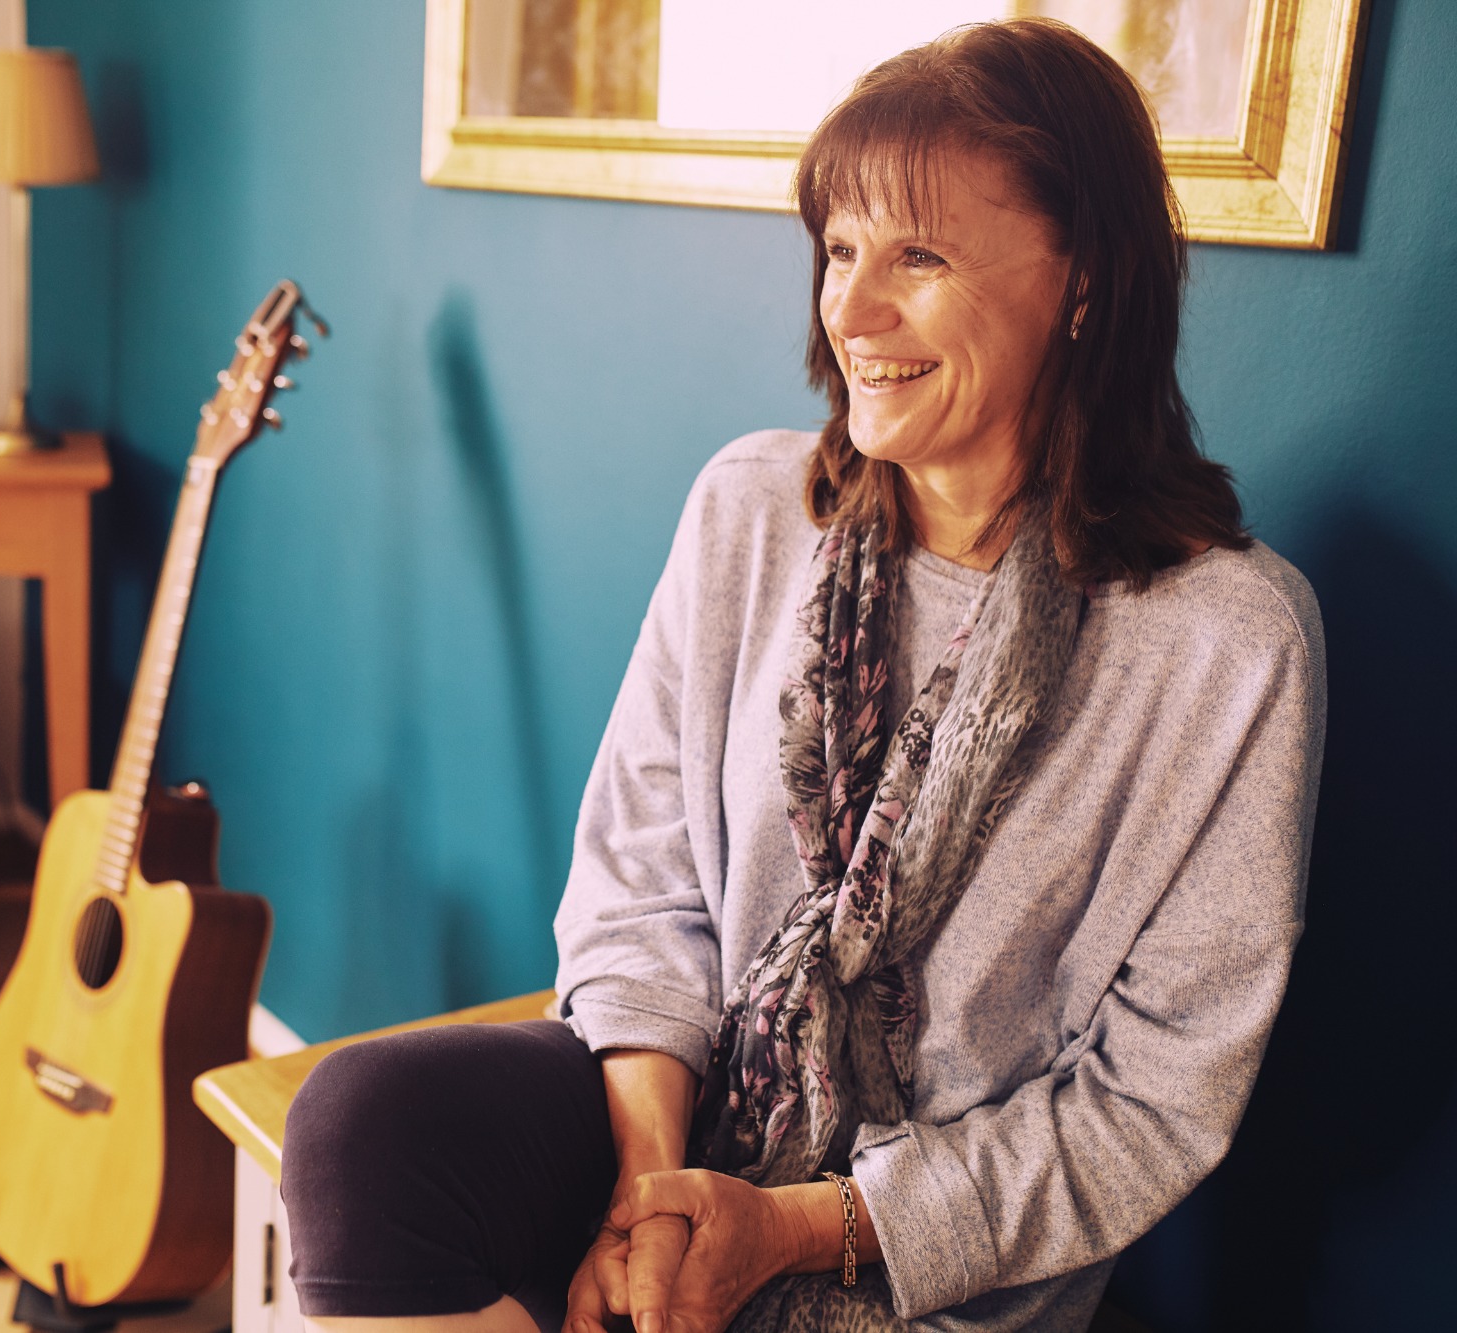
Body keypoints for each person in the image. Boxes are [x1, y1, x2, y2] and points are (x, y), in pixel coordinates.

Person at [279, 18, 1324, 1333]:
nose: (854, 309)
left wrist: (784, 1228)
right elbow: (640, 870)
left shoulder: (1230, 644)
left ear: (1086, 284)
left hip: (926, 1239)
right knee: (361, 1122)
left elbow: (1150, 1105)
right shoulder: (753, 507)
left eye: (920, 257)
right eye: (839, 250)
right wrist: (653, 1192)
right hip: (679, 1112)